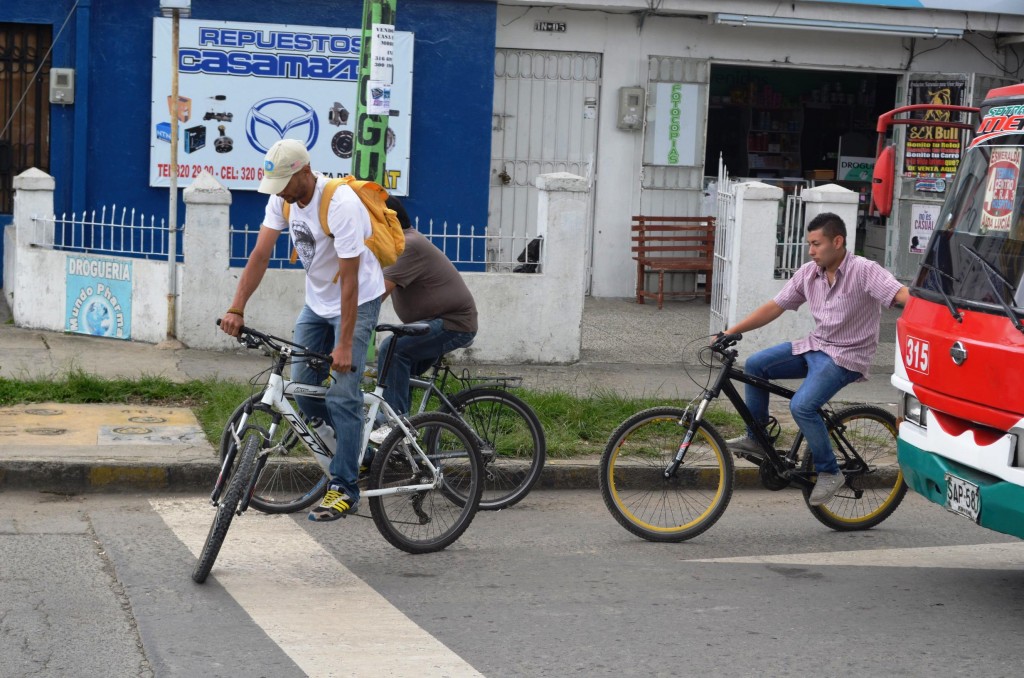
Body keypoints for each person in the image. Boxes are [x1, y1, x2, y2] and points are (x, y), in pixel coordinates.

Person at [219, 139, 384, 522]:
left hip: (356, 301)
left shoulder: (341, 204)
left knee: (343, 392)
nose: (280, 194)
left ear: (304, 172)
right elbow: (260, 253)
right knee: (305, 392)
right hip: (318, 303)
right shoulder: (283, 199)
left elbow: (351, 279)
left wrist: (343, 345)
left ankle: (345, 487)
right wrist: (236, 307)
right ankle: (360, 452)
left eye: (284, 184)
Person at [719, 212, 909, 506]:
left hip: (847, 356)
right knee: (756, 365)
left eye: (816, 244)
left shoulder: (864, 270)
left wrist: (939, 306)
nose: (811, 250)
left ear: (838, 241)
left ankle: (830, 472)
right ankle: (757, 439)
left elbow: (900, 294)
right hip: (816, 346)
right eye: (809, 244)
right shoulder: (810, 273)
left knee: (803, 406)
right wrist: (731, 331)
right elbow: (775, 306)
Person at [369, 196, 477, 442]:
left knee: (393, 349)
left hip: (453, 323)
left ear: (387, 222)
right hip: (432, 321)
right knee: (393, 374)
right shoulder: (396, 245)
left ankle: (397, 427)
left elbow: (375, 295)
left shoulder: (408, 245)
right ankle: (401, 441)